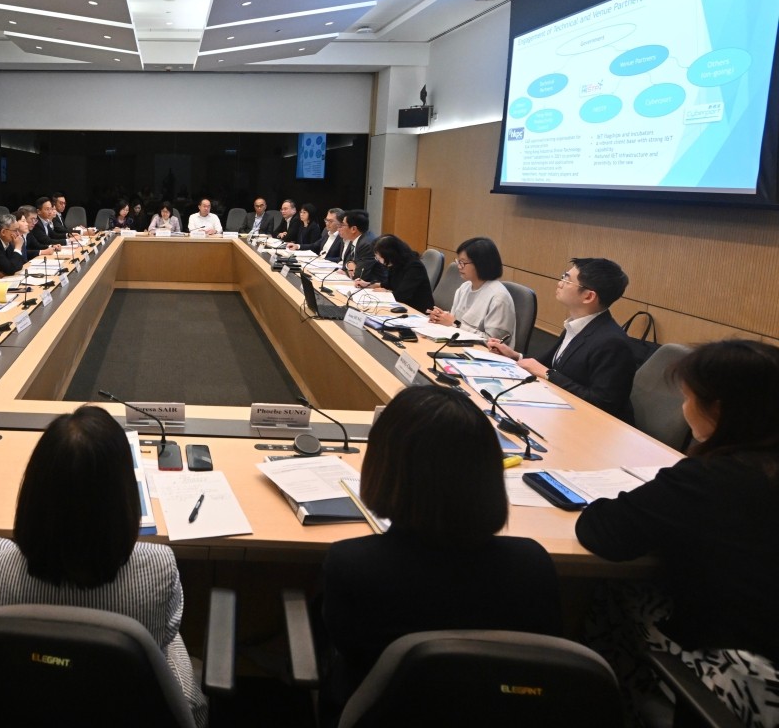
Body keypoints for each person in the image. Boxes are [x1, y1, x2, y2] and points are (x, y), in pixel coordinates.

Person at [321, 386, 561, 724]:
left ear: (383, 467)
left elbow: (347, 651)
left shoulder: (353, 564)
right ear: (490, 472)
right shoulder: (534, 565)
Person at [576, 340, 779, 728]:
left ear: (718, 409)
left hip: (746, 681)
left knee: (606, 591)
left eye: (687, 398)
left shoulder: (712, 481)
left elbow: (601, 531)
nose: (684, 410)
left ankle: (602, 707)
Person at [0, 406, 207, 726]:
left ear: (33, 491)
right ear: (125, 498)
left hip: (22, 709)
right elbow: (162, 639)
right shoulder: (156, 570)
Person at [486, 258, 636, 421]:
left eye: (567, 279)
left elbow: (602, 404)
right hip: (562, 410)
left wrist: (549, 374)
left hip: (593, 426)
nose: (560, 283)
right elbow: (547, 365)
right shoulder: (577, 324)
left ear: (588, 296)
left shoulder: (613, 343)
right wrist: (515, 356)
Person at [427, 236, 515, 341]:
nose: (459, 266)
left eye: (463, 262)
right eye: (458, 261)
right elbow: (454, 320)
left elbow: (494, 342)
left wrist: (455, 324)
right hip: (457, 344)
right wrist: (440, 318)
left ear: (481, 263)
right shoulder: (464, 287)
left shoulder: (499, 297)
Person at [355, 234, 434, 313]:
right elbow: (389, 284)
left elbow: (401, 295)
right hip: (401, 306)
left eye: (379, 257)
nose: (378, 260)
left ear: (390, 254)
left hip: (417, 311)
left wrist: (386, 293)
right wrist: (367, 284)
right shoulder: (396, 263)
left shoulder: (414, 267)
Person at [338, 209, 377, 281]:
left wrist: (346, 272)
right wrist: (349, 263)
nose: (339, 229)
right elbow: (346, 262)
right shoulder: (356, 239)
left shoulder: (367, 244)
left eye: (342, 225)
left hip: (374, 288)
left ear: (353, 229)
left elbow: (360, 275)